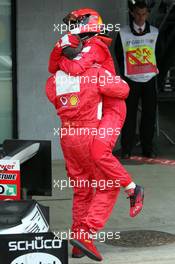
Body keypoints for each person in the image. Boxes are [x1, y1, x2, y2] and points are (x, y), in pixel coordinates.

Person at [47, 8, 144, 261]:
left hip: (69, 135)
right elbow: (118, 88)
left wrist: (62, 52)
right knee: (107, 184)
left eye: (73, 24)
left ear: (86, 24)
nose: (69, 30)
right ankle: (86, 234)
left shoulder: (59, 76)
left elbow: (64, 70)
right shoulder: (92, 69)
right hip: (92, 125)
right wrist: (111, 81)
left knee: (82, 189)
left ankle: (79, 243)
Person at [114, 1, 159, 158]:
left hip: (149, 80)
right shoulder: (123, 33)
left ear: (147, 14)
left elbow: (158, 55)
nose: (141, 17)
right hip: (130, 81)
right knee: (128, 115)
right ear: (132, 13)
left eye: (144, 14)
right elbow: (119, 55)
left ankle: (147, 149)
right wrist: (125, 74)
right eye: (138, 14)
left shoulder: (155, 32)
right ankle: (127, 149)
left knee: (149, 115)